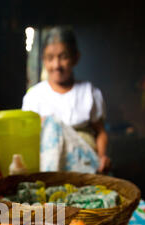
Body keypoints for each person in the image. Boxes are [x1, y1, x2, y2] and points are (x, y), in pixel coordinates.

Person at [22, 26, 111, 174]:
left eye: (63, 57)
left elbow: (100, 132)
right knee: (50, 124)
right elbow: (26, 138)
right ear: (43, 60)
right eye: (50, 58)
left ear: (76, 58)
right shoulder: (34, 97)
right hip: (47, 167)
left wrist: (102, 157)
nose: (56, 65)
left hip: (84, 165)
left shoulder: (89, 92)